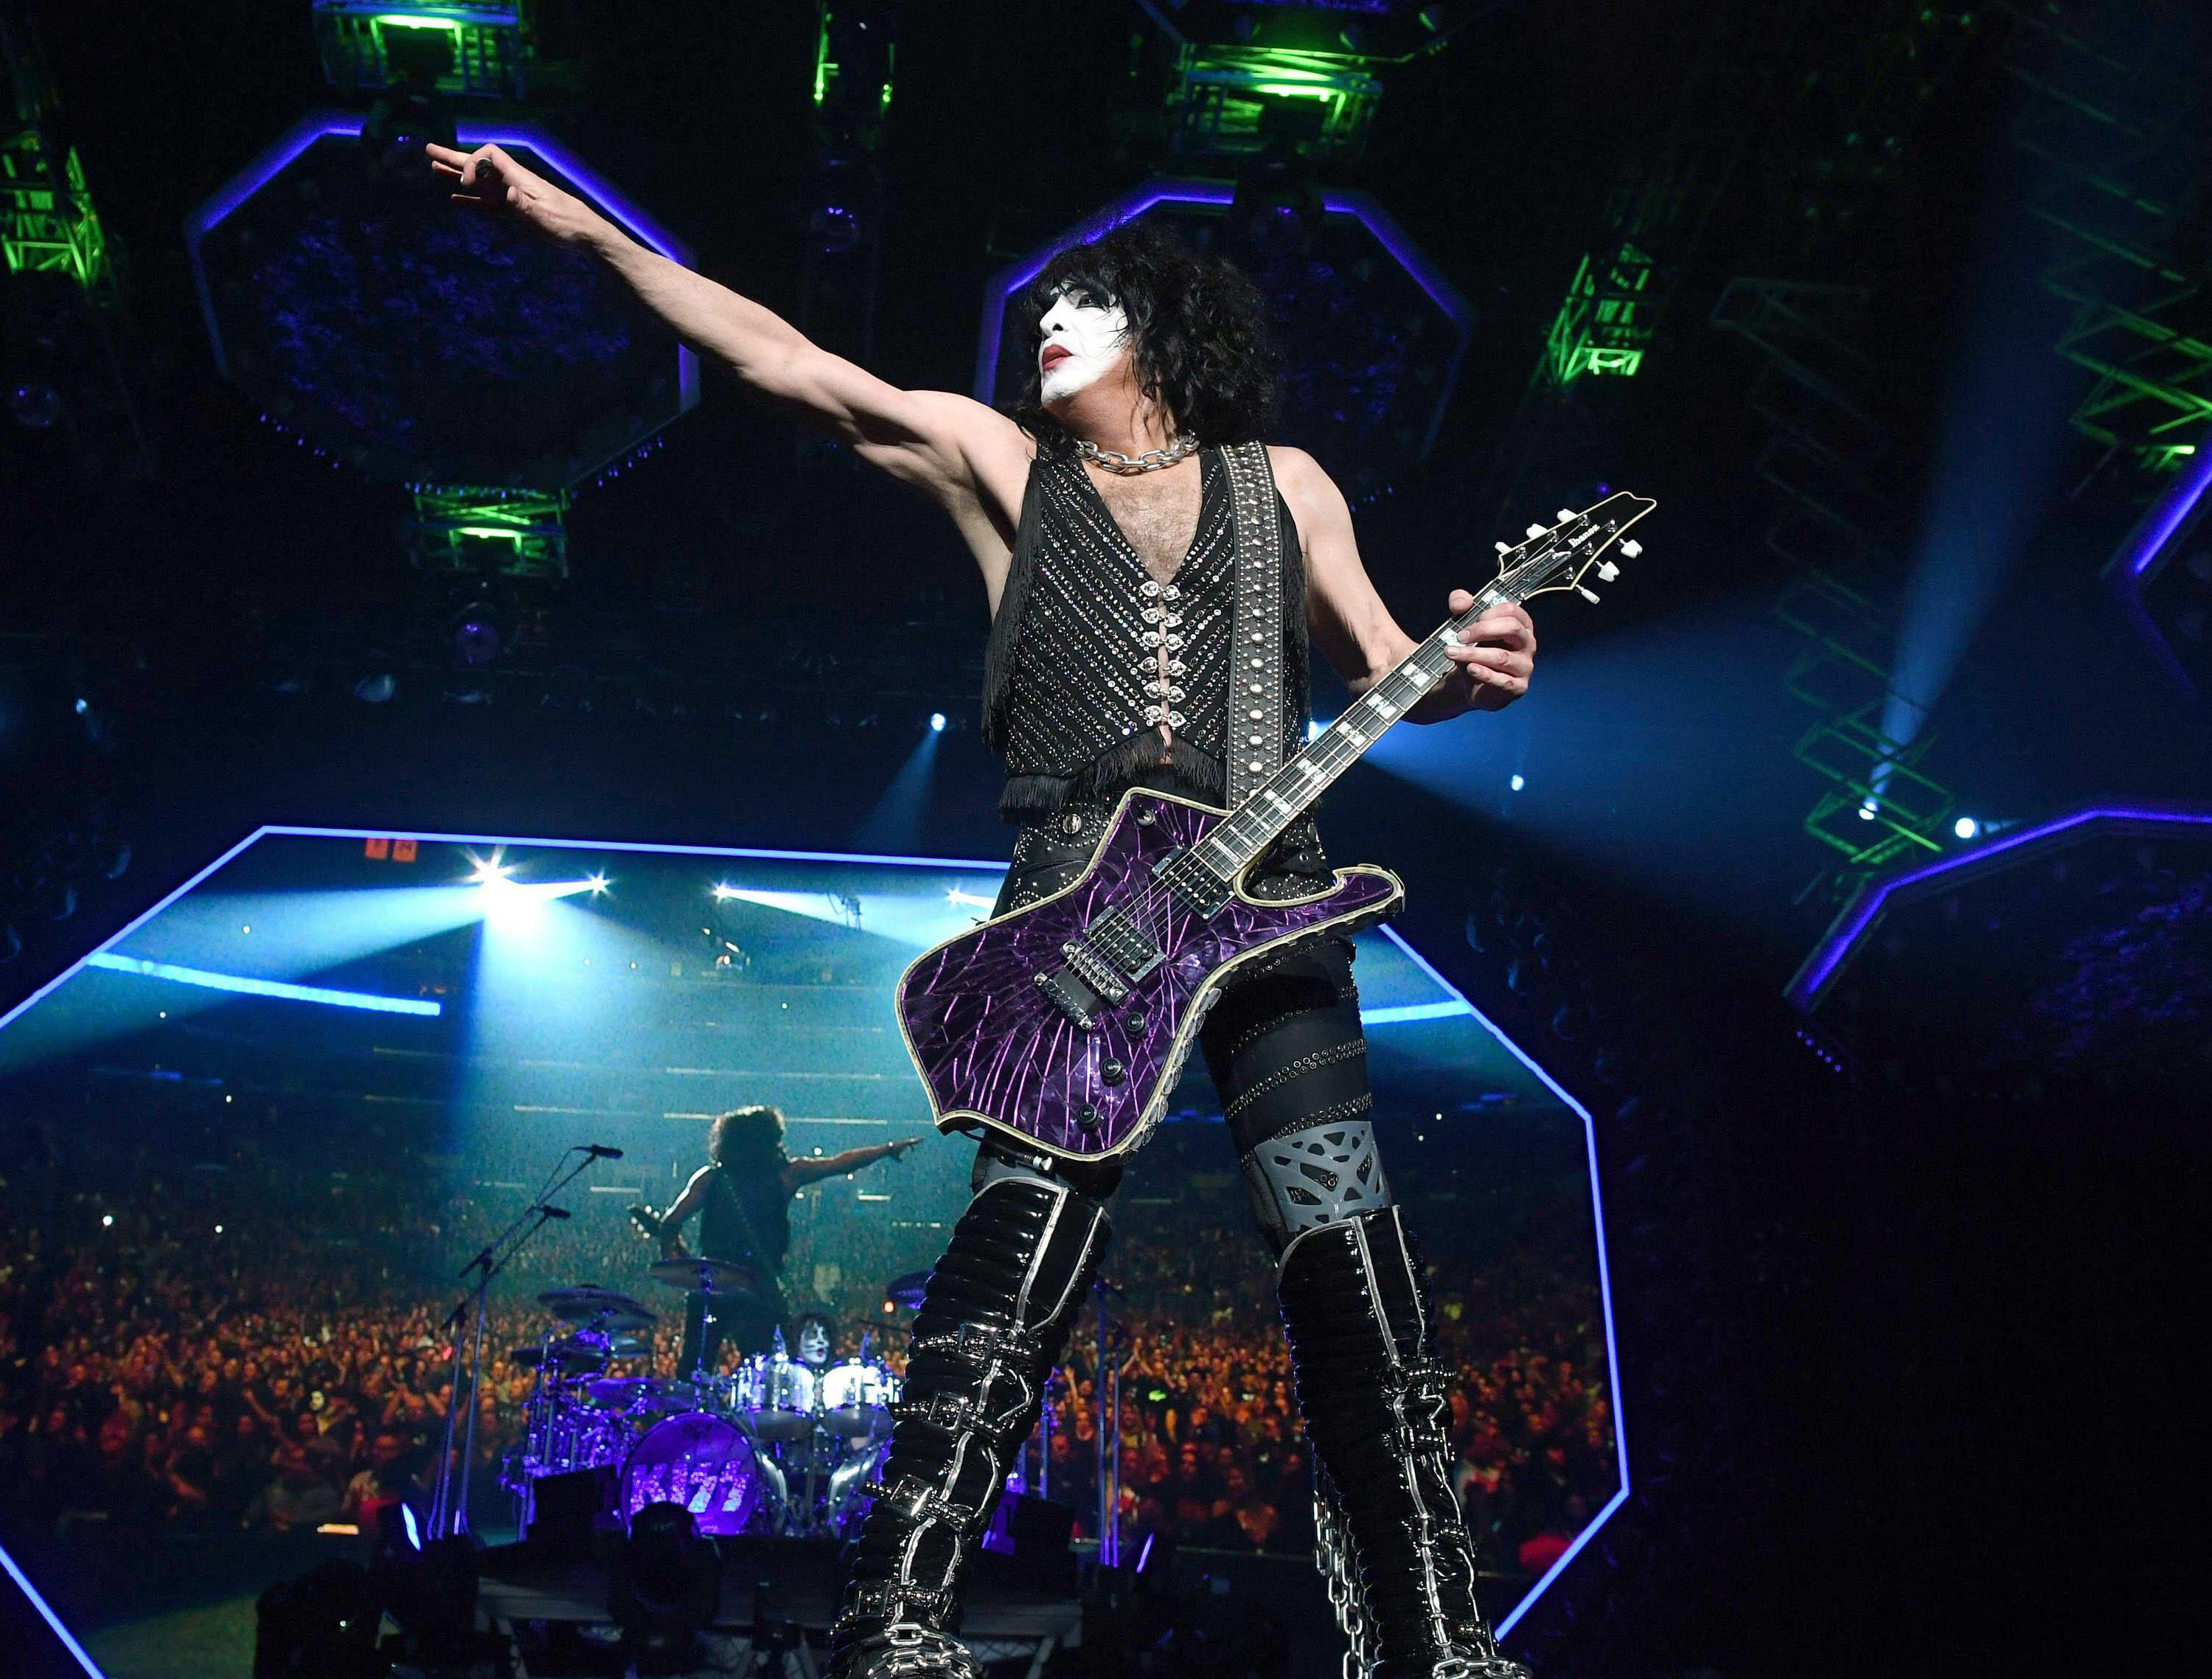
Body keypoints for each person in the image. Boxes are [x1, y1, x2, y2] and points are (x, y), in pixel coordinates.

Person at [434, 142, 1537, 1679]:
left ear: (1163, 331)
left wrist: (1477, 664)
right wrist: (575, 226)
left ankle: (1433, 1640)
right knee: (1015, 1262)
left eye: (1083, 303)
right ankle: (894, 1617)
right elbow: (783, 361)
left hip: (1276, 919)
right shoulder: (996, 461)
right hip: (1075, 926)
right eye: (1042, 309)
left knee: (1347, 1258)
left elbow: (1385, 662)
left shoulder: (1287, 484)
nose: (1045, 320)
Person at [630, 1105, 920, 1379]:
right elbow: (839, 1164)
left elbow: (670, 1224)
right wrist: (886, 1149)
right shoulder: (787, 1176)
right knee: (763, 1372)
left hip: (712, 1286)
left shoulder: (710, 1179)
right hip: (758, 1286)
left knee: (693, 1370)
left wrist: (681, 1261)